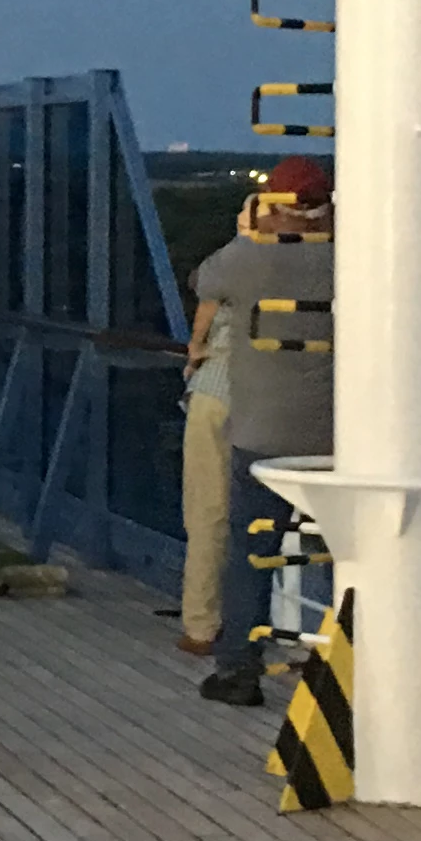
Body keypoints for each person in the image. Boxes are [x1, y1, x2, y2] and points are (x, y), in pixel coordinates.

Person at [178, 157, 334, 706]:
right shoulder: (355, 257)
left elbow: (203, 281)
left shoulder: (249, 258)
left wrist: (252, 232)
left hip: (262, 432)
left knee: (250, 554)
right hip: (339, 437)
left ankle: (238, 672)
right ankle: (353, 667)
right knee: (351, 555)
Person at [172, 234, 249, 655]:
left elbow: (203, 286)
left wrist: (196, 347)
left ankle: (201, 624)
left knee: (208, 508)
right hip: (285, 402)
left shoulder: (239, 257)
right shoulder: (327, 261)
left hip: (219, 388)